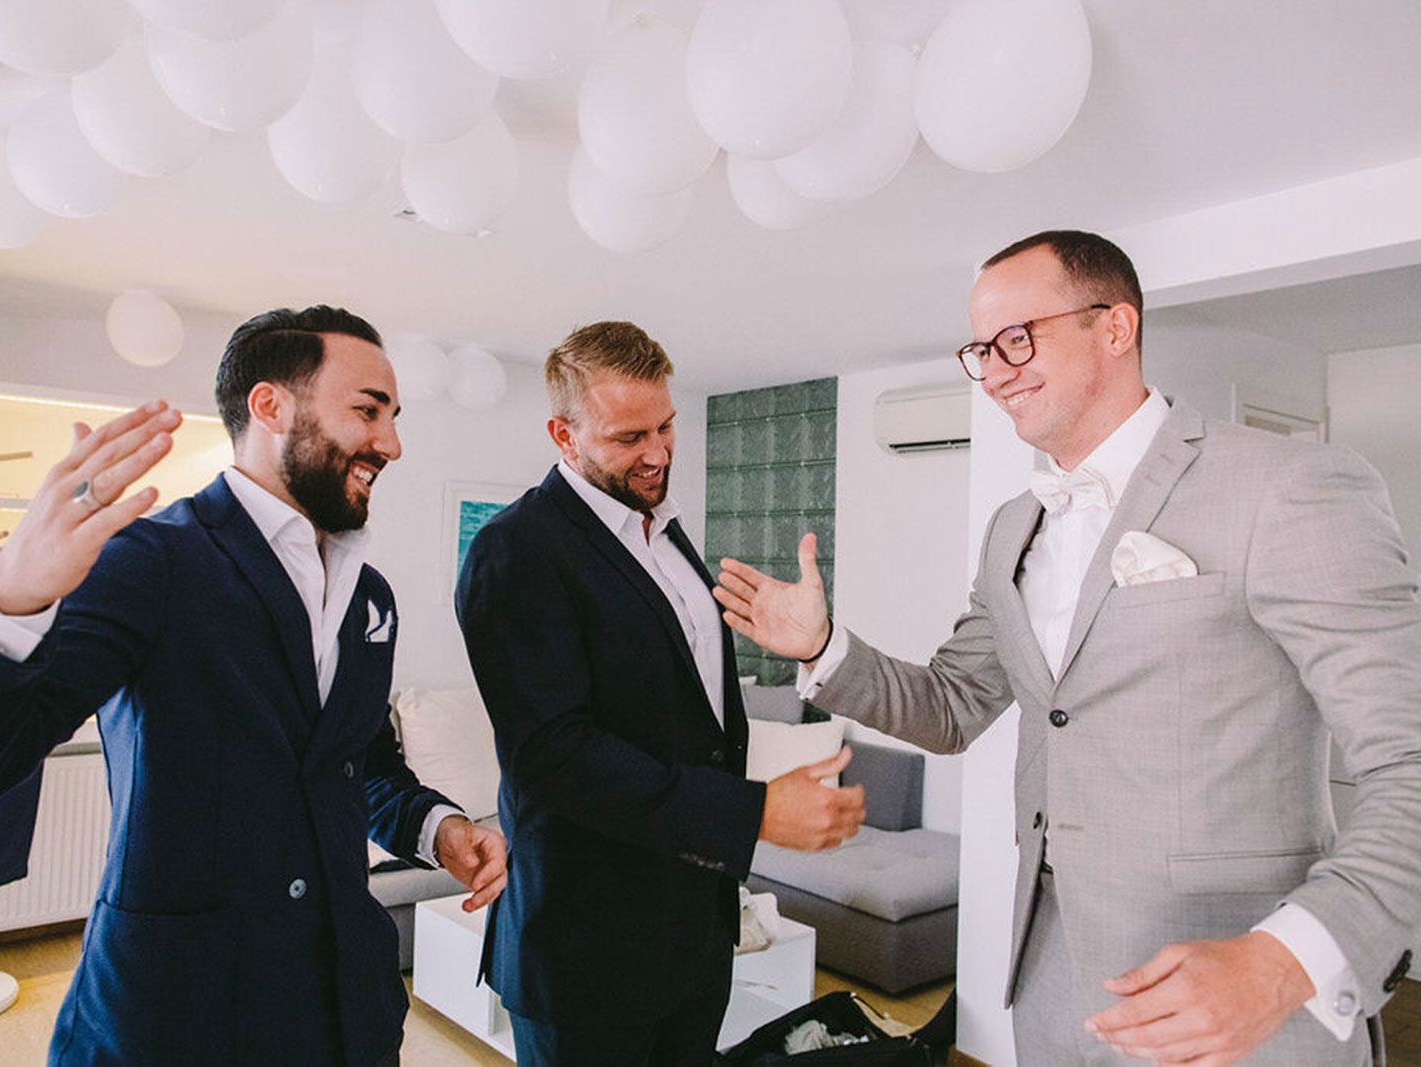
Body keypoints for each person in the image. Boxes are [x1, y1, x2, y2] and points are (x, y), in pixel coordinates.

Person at [714, 231, 1421, 1066]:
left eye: (1018, 337)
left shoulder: (1288, 485)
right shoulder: (1013, 526)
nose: (995, 370)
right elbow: (951, 706)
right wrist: (825, 647)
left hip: (1239, 993)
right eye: (982, 349)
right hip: (1050, 985)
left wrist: (1285, 961)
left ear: (1115, 327)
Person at [0, 306, 508, 1066]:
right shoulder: (150, 560)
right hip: (179, 1016)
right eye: (367, 411)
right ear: (270, 405)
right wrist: (8, 595)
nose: (392, 443)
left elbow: (361, 764)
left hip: (347, 1015)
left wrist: (437, 828)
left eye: (394, 417)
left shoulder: (368, 593)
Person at [454, 321, 866, 1066]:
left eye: (666, 426)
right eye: (629, 436)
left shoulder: (667, 535)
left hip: (693, 937)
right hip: (586, 953)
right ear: (563, 434)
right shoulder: (515, 550)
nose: (658, 453)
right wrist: (754, 812)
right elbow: (553, 755)